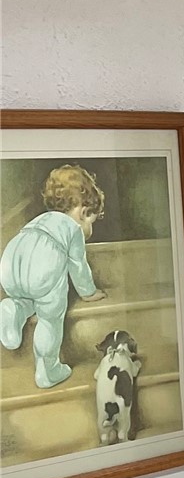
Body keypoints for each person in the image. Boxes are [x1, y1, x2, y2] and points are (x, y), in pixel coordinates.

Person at [0, 163, 103, 388]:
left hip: (11, 260)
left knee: (27, 297)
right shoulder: (73, 229)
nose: (89, 231)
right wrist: (88, 292)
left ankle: (14, 309)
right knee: (50, 316)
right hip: (43, 264)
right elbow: (78, 265)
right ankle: (48, 370)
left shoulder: (41, 219)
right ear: (84, 212)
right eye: (91, 223)